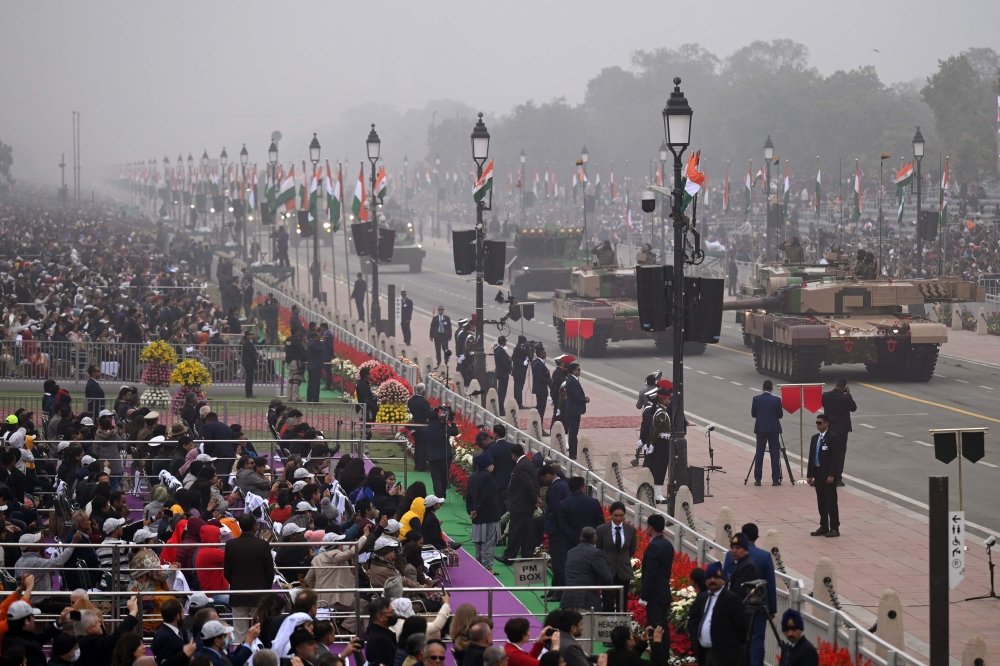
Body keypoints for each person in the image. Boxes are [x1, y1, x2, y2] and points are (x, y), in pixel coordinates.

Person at [722, 524, 776, 666]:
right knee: (757, 639)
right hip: (758, 607)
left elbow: (725, 580)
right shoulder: (764, 556)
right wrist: (772, 609)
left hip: (736, 606)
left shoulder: (729, 555)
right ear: (756, 537)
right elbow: (770, 583)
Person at [686, 562, 749, 666]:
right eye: (709, 577)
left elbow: (742, 627)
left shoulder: (731, 599)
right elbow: (694, 619)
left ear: (723, 580)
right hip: (704, 654)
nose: (712, 580)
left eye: (716, 577)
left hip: (723, 656)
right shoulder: (703, 597)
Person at [225, 514, 275, 642]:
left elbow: (227, 572)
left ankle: (240, 658)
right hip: (259, 593)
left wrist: (236, 583)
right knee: (258, 629)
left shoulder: (231, 544)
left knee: (239, 631)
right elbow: (270, 572)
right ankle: (257, 658)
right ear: (255, 526)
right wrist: (265, 589)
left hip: (238, 592)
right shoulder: (262, 544)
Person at [497, 444, 538, 565]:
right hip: (525, 505)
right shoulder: (528, 463)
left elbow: (528, 485)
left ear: (513, 455)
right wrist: (535, 498)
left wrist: (534, 499)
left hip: (521, 505)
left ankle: (508, 557)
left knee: (515, 531)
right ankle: (526, 557)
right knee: (525, 532)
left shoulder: (522, 466)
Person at [807, 413, 845, 538]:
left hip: (828, 475)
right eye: (816, 423)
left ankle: (835, 527)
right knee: (821, 502)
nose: (817, 425)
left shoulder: (833, 438)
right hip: (818, 474)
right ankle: (824, 526)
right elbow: (811, 457)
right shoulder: (814, 438)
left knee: (831, 502)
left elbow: (836, 458)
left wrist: (833, 475)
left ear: (826, 424)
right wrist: (810, 474)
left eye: (819, 423)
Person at [596, 502, 637, 612]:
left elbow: (632, 550)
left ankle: (621, 626)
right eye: (616, 516)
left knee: (622, 601)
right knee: (607, 600)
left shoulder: (631, 530)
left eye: (621, 516)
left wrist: (623, 560)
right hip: (608, 570)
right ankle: (607, 625)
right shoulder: (602, 530)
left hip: (624, 570)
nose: (618, 518)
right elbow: (598, 550)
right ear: (610, 515)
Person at [560, 526, 613, 611]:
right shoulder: (596, 553)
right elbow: (607, 578)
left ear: (580, 538)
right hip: (587, 602)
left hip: (567, 600)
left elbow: (565, 575)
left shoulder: (570, 552)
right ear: (595, 539)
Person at [76, 598, 140, 666]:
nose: (100, 624)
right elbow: (114, 638)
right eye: (97, 622)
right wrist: (133, 612)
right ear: (89, 629)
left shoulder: (82, 641)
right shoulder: (88, 643)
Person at [638, 514, 674, 635]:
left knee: (655, 628)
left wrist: (644, 596)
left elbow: (650, 573)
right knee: (663, 627)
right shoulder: (668, 544)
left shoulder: (654, 546)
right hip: (664, 592)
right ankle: (664, 653)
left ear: (650, 527)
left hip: (655, 595)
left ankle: (658, 653)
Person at [468, 453, 502, 573]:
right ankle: (487, 567)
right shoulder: (487, 477)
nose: (493, 466)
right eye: (491, 463)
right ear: (487, 465)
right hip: (488, 515)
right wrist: (478, 510)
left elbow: (469, 497)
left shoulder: (473, 476)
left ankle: (479, 565)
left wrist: (472, 511)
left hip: (476, 517)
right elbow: (486, 497)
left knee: (478, 542)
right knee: (488, 542)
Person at [539, 466, 569, 601]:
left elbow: (558, 510)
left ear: (547, 475)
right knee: (557, 561)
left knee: (558, 562)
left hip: (557, 530)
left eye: (542, 478)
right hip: (557, 530)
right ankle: (555, 589)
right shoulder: (561, 485)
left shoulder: (557, 487)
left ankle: (558, 592)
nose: (543, 481)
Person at [821, 379, 856, 487]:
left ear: (835, 385)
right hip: (841, 430)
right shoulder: (845, 398)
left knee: (828, 452)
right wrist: (849, 395)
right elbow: (853, 408)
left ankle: (826, 475)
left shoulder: (826, 395)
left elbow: (824, 406)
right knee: (840, 454)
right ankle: (837, 478)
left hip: (829, 428)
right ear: (845, 387)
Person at [557, 477, 605, 554]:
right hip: (591, 544)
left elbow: (563, 526)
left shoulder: (563, 505)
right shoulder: (594, 502)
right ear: (582, 488)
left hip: (571, 545)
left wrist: (575, 538)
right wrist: (592, 537)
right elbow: (600, 523)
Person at [751, 380, 783, 486]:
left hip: (761, 429)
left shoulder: (756, 399)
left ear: (762, 388)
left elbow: (753, 414)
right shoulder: (777, 400)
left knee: (759, 453)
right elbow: (780, 415)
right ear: (772, 388)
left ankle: (758, 479)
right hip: (773, 429)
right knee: (775, 454)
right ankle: (775, 479)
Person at [424, 407, 457, 499]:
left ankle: (439, 495)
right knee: (444, 475)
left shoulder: (425, 430)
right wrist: (452, 421)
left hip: (433, 457)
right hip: (445, 455)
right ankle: (443, 493)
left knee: (436, 477)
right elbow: (455, 432)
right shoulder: (444, 427)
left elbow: (424, 443)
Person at [152, 598, 196, 666]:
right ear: (178, 616)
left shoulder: (175, 631)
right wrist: (185, 654)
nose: (184, 616)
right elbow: (165, 664)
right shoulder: (163, 638)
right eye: (182, 612)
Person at [562, 363, 588, 460]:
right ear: (573, 371)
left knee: (574, 431)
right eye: (578, 369)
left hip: (575, 409)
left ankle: (574, 450)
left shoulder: (573, 380)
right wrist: (584, 400)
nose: (579, 371)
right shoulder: (572, 381)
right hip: (574, 410)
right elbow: (575, 396)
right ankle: (573, 452)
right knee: (573, 431)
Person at [726, 533, 759, 603]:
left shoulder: (748, 566)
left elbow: (738, 591)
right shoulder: (739, 562)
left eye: (738, 548)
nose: (734, 551)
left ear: (746, 550)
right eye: (732, 548)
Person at [365, 598, 398, 666]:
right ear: (381, 617)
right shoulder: (380, 640)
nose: (394, 615)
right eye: (391, 612)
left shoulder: (377, 634)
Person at [407, 384, 432, 472]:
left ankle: (417, 464)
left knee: (417, 446)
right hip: (423, 426)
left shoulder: (410, 400)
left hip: (414, 426)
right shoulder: (424, 402)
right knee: (422, 447)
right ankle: (421, 465)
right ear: (423, 391)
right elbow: (428, 415)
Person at [531, 347, 550, 431]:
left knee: (540, 409)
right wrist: (550, 380)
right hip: (541, 389)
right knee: (541, 410)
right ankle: (539, 429)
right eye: (544, 353)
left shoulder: (537, 362)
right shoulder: (539, 364)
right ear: (540, 354)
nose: (545, 354)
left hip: (539, 389)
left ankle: (538, 427)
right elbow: (540, 378)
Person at [510, 336, 530, 410]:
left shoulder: (522, 349)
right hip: (518, 371)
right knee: (518, 387)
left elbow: (528, 355)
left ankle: (519, 402)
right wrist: (522, 362)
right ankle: (518, 402)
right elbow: (515, 359)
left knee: (520, 387)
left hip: (522, 371)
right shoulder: (517, 349)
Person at [493, 336, 512, 408]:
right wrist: (510, 367)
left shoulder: (497, 349)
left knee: (501, 390)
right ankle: (500, 407)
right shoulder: (501, 351)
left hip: (500, 372)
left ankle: (500, 406)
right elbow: (504, 363)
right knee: (502, 391)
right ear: (504, 342)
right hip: (503, 373)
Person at [240, 330, 259, 399]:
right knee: (249, 378)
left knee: (250, 378)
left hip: (250, 362)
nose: (252, 335)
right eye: (251, 334)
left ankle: (249, 393)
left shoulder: (250, 342)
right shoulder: (247, 343)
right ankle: (249, 394)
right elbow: (251, 353)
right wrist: (255, 359)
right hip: (249, 362)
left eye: (253, 334)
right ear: (247, 335)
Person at [306, 332, 325, 403]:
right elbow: (321, 349)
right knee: (316, 383)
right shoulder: (313, 344)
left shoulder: (310, 343)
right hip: (315, 365)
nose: (319, 338)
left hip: (311, 365)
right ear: (314, 337)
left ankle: (309, 398)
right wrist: (322, 341)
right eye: (318, 337)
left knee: (311, 382)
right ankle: (315, 399)